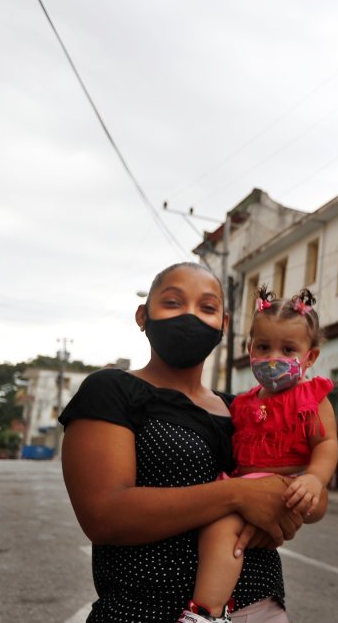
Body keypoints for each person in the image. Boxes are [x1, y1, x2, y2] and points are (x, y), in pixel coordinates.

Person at [60, 262, 301, 622]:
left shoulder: (244, 408)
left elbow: (287, 494)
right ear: (143, 316)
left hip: (261, 609)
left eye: (207, 307)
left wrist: (284, 508)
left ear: (224, 325)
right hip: (146, 611)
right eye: (173, 303)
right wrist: (239, 495)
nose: (190, 316)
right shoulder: (112, 390)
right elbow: (103, 516)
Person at [182, 286, 338, 623]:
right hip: (248, 484)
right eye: (263, 347)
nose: (273, 357)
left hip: (293, 485)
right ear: (249, 348)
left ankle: (204, 613)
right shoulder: (243, 403)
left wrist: (314, 480)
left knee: (222, 530)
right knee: (219, 531)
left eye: (288, 349)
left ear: (310, 357)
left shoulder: (311, 397)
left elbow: (326, 444)